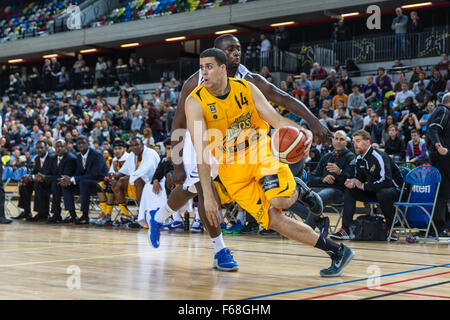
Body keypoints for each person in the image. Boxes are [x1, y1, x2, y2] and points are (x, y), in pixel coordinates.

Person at [161, 48, 355, 277]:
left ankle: (296, 188)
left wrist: (301, 131)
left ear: (223, 69)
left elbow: (276, 119)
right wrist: (209, 195)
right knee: (274, 219)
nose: (203, 72)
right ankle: (337, 251)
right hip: (229, 167)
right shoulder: (195, 102)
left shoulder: (246, 88)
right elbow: (202, 153)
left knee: (279, 199)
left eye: (209, 66)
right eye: (202, 67)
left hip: (259, 151)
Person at [331, 130, 403, 241]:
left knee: (383, 193)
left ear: (368, 142)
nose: (355, 144)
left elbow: (387, 181)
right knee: (350, 191)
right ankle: (345, 230)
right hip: (375, 191)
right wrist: (352, 182)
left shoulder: (379, 156)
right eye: (354, 142)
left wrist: (363, 186)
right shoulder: (359, 159)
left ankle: (391, 228)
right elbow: (359, 179)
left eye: (358, 141)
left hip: (395, 190)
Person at [307, 131, 355, 233]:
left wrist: (339, 172)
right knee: (295, 195)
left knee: (318, 196)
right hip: (322, 188)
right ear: (332, 140)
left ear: (346, 142)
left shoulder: (351, 157)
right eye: (336, 138)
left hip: (339, 192)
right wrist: (323, 179)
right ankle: (319, 221)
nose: (338, 141)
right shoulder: (326, 157)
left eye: (341, 139)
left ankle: (306, 229)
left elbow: (351, 181)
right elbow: (312, 179)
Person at [58, 136, 109, 224]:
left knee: (83, 183)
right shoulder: (78, 157)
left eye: (83, 143)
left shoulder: (97, 155)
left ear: (88, 144)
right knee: (66, 184)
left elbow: (94, 174)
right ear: (76, 146)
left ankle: (85, 215)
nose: (81, 145)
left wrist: (73, 179)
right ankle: (72, 215)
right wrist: (68, 180)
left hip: (99, 183)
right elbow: (78, 174)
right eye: (79, 144)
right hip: (85, 183)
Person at [111, 137, 160, 225]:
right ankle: (125, 214)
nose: (134, 147)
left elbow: (145, 171)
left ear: (142, 144)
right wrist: (115, 175)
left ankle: (142, 214)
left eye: (137, 145)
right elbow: (124, 170)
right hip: (137, 181)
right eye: (132, 145)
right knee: (116, 182)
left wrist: (132, 177)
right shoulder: (132, 155)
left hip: (153, 182)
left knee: (138, 181)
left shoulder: (150, 153)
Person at [426, 92, 450, 237]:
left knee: (444, 192)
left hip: (441, 157)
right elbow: (433, 129)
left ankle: (441, 227)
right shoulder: (443, 110)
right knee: (442, 192)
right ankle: (438, 228)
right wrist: (439, 146)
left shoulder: (440, 111)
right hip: (442, 157)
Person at [91, 140, 130, 226]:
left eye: (119, 148)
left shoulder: (129, 158)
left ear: (124, 149)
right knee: (100, 186)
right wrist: (105, 181)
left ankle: (109, 215)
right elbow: (110, 174)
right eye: (115, 149)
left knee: (111, 186)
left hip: (127, 185)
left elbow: (126, 174)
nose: (117, 151)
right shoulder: (115, 159)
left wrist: (115, 171)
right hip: (116, 183)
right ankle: (104, 213)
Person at [38, 139, 77, 223]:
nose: (59, 148)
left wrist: (46, 177)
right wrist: (42, 177)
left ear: (66, 147)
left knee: (56, 185)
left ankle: (58, 214)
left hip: (70, 183)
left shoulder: (71, 158)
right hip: (55, 182)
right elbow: (49, 173)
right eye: (57, 147)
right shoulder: (52, 158)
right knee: (39, 184)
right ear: (54, 148)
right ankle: (42, 213)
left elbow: (64, 176)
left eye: (61, 146)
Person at [15, 141, 52, 222]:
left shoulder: (51, 157)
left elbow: (50, 172)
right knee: (24, 184)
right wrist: (28, 176)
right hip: (39, 181)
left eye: (41, 148)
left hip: (49, 182)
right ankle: (26, 211)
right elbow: (35, 172)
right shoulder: (38, 158)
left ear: (46, 148)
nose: (39, 150)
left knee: (38, 184)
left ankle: (42, 213)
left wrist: (37, 177)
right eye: (37, 148)